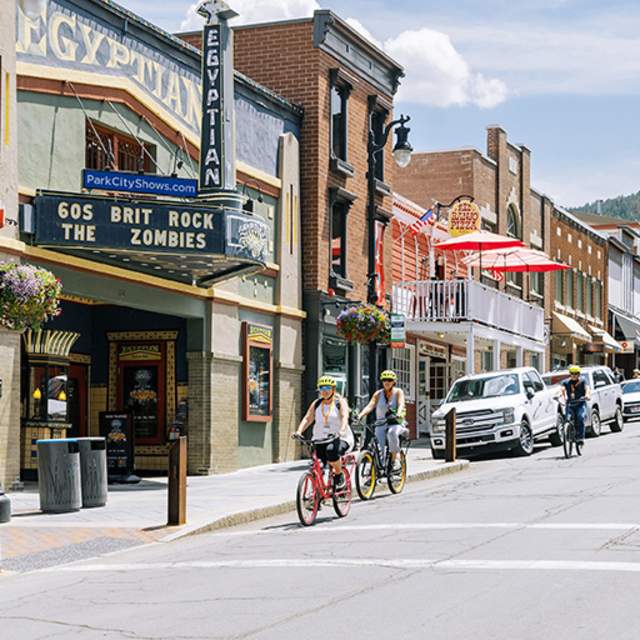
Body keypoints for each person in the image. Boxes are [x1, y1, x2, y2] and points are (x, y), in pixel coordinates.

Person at [292, 375, 354, 490]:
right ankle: (316, 495)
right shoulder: (317, 404)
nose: (324, 391)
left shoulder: (339, 402)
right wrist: (299, 431)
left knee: (331, 451)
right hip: (320, 439)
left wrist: (342, 430)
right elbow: (307, 418)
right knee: (317, 464)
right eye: (322, 388)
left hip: (340, 438)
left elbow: (345, 417)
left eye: (327, 388)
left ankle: (339, 475)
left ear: (333, 389)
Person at [357, 370, 408, 468]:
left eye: (389, 380)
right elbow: (370, 406)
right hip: (381, 423)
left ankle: (395, 460)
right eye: (385, 380)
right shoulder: (378, 394)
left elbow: (401, 403)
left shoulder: (398, 392)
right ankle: (376, 470)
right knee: (379, 446)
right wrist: (360, 415)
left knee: (392, 433)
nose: (387, 382)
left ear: (394, 382)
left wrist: (398, 413)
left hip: (395, 422)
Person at [561, 365, 591, 446]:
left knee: (580, 417)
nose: (574, 375)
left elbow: (587, 388)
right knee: (567, 419)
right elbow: (562, 389)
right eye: (572, 373)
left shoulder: (583, 381)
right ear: (570, 374)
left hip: (580, 404)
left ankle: (580, 438)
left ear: (579, 374)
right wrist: (558, 395)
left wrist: (587, 395)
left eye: (576, 373)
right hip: (570, 404)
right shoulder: (566, 382)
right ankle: (568, 435)